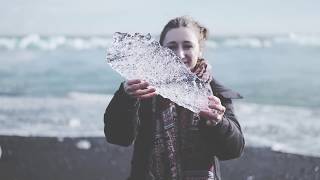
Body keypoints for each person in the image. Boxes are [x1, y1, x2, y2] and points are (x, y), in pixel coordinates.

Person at [104, 16, 245, 180]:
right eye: (172, 47)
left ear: (199, 50)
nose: (180, 54)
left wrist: (219, 124)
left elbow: (233, 150)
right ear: (161, 51)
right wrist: (126, 98)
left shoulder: (214, 93)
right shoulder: (143, 89)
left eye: (188, 46)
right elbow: (118, 138)